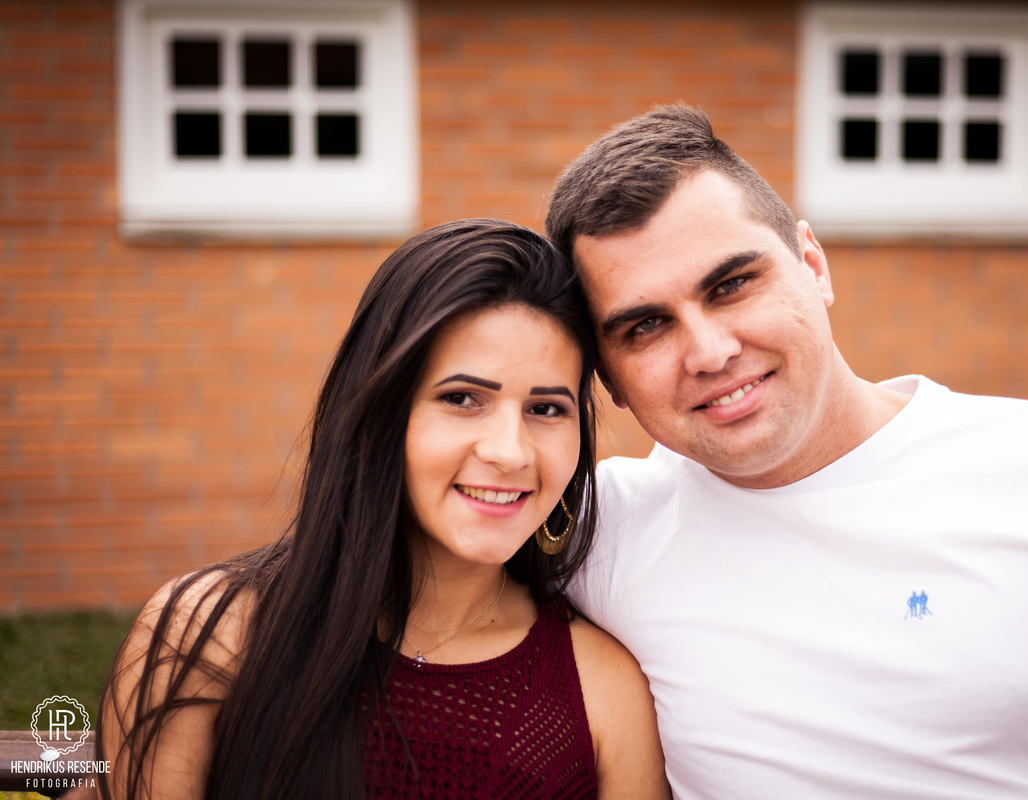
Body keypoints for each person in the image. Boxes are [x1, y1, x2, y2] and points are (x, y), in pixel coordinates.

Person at [545, 105, 1028, 798]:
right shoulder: (593, 532)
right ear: (609, 379)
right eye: (646, 327)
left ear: (814, 265)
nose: (710, 353)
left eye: (732, 284)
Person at [98, 220, 670, 800]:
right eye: (462, 398)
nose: (508, 451)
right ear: (382, 412)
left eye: (546, 409)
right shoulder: (210, 633)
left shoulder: (601, 691)